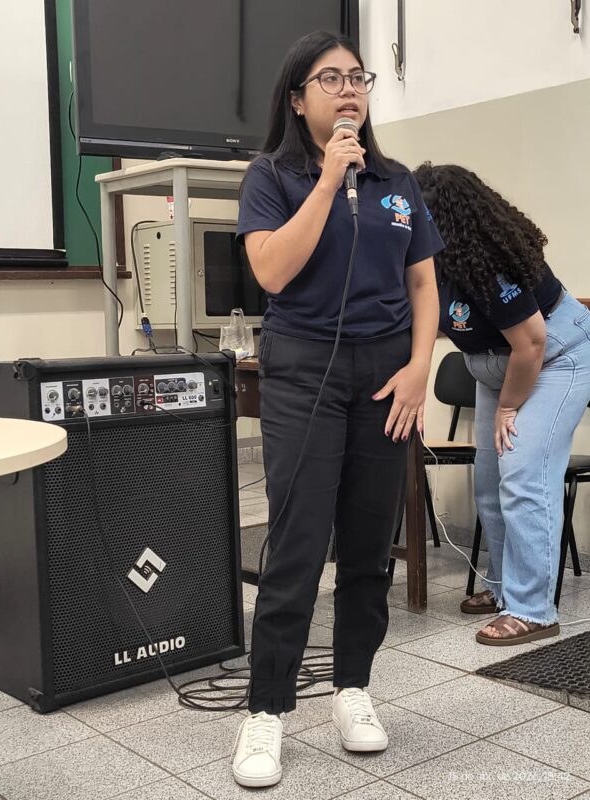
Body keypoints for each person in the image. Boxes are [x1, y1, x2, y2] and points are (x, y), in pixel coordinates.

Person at [231, 31, 444, 788]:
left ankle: (353, 687)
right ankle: (266, 710)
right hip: (303, 370)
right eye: (331, 78)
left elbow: (423, 284)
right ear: (297, 99)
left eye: (358, 76)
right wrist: (326, 181)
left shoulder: (397, 182)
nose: (350, 88)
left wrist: (419, 369)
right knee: (296, 544)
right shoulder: (272, 176)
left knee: (367, 543)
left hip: (386, 376)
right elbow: (271, 272)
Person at [413, 162, 590, 647]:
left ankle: (533, 610)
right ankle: (503, 588)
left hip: (554, 357)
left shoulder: (488, 261)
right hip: (496, 366)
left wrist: (509, 408)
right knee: (490, 484)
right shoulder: (430, 265)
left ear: (448, 221)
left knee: (523, 474)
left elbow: (531, 342)